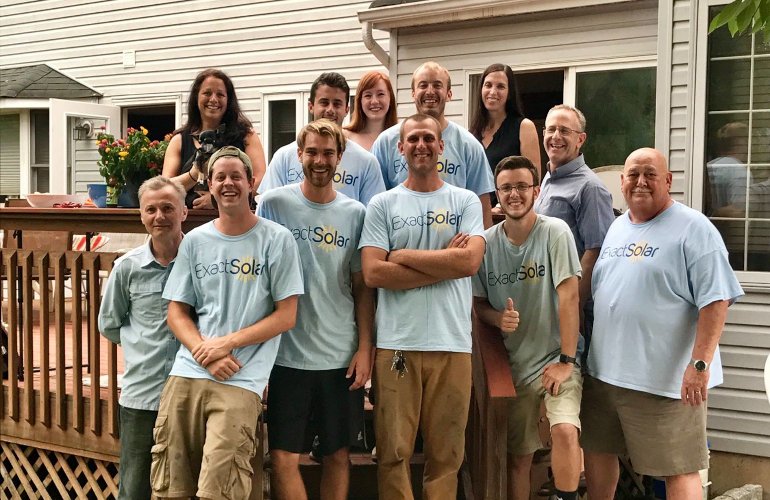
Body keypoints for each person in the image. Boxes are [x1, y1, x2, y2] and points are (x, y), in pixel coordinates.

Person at [581, 148, 743, 500]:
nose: (640, 182)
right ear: (621, 182)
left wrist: (699, 365)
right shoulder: (618, 227)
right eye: (633, 174)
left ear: (668, 181)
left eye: (650, 174)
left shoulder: (694, 228)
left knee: (678, 468)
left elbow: (716, 300)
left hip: (665, 382)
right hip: (605, 374)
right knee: (597, 453)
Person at [151, 146, 303, 500]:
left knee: (220, 490)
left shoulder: (276, 239)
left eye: (236, 176)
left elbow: (286, 315)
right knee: (169, 487)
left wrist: (227, 344)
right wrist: (205, 352)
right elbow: (176, 312)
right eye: (220, 177)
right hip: (187, 374)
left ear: (251, 183)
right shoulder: (196, 241)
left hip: (241, 379)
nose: (228, 183)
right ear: (209, 184)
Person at [360, 113, 486, 499]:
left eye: (429, 138)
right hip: (397, 343)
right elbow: (373, 273)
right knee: (393, 452)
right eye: (413, 139)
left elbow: (469, 262)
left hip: (452, 344)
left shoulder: (464, 200)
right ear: (400, 147)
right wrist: (444, 264)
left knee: (447, 454)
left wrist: (401, 256)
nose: (421, 145)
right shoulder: (383, 204)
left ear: (441, 146)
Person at [257, 120, 374, 500]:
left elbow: (362, 287)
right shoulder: (274, 204)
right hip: (286, 354)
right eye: (312, 152)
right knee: (282, 457)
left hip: (339, 353)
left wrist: (365, 348)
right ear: (299, 155)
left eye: (328, 153)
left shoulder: (355, 213)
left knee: (338, 455)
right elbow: (260, 283)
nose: (319, 160)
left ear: (340, 157)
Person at [473, 156, 583, 500]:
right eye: (506, 188)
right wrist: (497, 319)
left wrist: (566, 361)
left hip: (557, 359)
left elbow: (570, 297)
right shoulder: (486, 244)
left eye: (522, 186)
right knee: (518, 458)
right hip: (515, 368)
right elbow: (478, 305)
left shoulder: (555, 232)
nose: (514, 194)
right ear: (497, 194)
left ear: (536, 190)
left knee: (565, 430)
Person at [98, 176, 187, 500]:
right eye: (151, 209)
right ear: (141, 215)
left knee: (187, 484)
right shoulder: (127, 268)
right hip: (142, 395)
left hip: (190, 394)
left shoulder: (200, 263)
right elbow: (109, 323)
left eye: (168, 208)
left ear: (184, 212)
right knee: (135, 487)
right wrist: (140, 343)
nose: (159, 216)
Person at [371, 61, 496, 228]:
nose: (430, 91)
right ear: (413, 93)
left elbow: (482, 207)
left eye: (437, 85)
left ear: (449, 93)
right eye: (423, 85)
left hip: (455, 239)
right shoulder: (386, 142)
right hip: (400, 236)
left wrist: (481, 242)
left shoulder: (469, 146)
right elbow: (375, 203)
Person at [533, 104, 614, 354]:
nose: (556, 136)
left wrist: (571, 308)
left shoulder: (590, 188)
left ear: (580, 139)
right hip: (544, 304)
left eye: (565, 131)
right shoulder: (549, 178)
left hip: (570, 311)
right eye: (551, 129)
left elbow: (595, 252)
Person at [258, 72, 385, 205]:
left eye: (337, 104)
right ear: (311, 106)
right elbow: (269, 207)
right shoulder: (284, 157)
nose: (330, 110)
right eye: (324, 103)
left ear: (347, 109)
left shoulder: (366, 162)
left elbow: (373, 212)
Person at [162, 68, 267, 208]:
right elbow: (163, 189)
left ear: (228, 100)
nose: (213, 99)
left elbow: (260, 181)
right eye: (207, 93)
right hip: (189, 219)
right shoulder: (179, 140)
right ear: (196, 97)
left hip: (235, 218)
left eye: (220, 94)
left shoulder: (247, 136)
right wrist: (194, 174)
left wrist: (217, 199)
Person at [469, 63, 541, 210]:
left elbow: (533, 181)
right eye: (488, 85)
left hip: (509, 214)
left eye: (500, 86)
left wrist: (501, 206)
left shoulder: (524, 127)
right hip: (476, 214)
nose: (493, 92)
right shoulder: (471, 134)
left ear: (510, 93)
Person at [344, 70, 398, 151]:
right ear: (360, 101)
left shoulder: (402, 137)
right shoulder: (345, 137)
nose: (374, 101)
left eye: (380, 94)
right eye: (368, 95)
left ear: (390, 99)